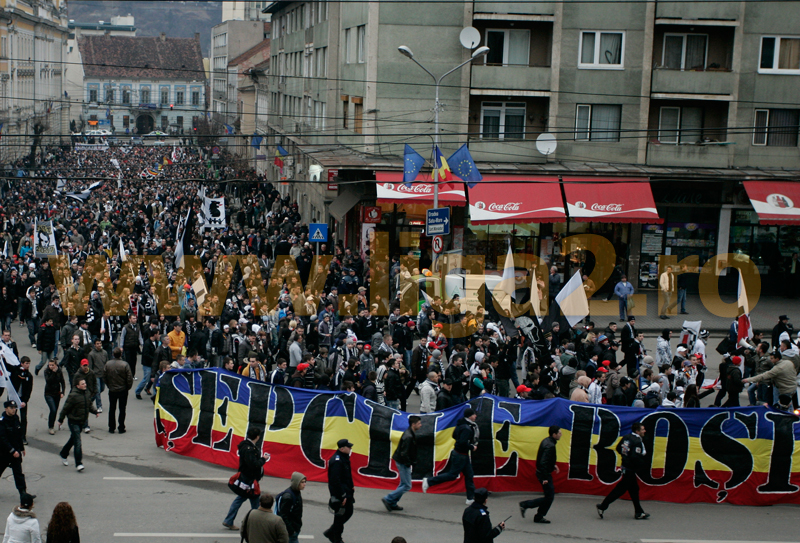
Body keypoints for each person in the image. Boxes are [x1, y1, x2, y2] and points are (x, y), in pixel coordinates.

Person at [423, 407, 478, 504]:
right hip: (461, 455)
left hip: (460, 454)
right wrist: (471, 447)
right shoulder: (467, 428)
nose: (475, 416)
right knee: (452, 475)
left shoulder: (461, 424)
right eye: (474, 414)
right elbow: (462, 442)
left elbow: (454, 436)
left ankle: (470, 498)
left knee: (469, 475)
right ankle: (429, 481)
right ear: (470, 416)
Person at [596, 422, 650, 520]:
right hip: (630, 469)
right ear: (637, 431)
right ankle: (603, 506)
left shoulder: (626, 437)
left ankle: (639, 512)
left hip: (625, 467)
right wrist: (641, 465)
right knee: (621, 490)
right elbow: (635, 456)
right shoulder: (637, 441)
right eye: (642, 429)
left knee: (633, 490)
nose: (644, 431)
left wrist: (624, 458)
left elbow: (618, 448)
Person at [223, 428, 269, 530]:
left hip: (247, 479)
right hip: (250, 480)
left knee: (242, 499)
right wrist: (263, 459)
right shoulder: (249, 449)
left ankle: (229, 520)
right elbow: (254, 464)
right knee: (254, 501)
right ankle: (257, 524)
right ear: (257, 437)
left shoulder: (246, 446)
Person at [519, 425, 561, 523]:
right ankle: (526, 505)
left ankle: (538, 515)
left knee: (549, 496)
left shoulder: (547, 441)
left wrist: (553, 465)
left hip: (543, 473)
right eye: (559, 433)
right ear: (554, 434)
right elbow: (543, 462)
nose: (561, 434)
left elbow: (545, 459)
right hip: (543, 474)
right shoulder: (550, 445)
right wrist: (544, 477)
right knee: (549, 497)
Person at [58, 377, 99, 472]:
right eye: (82, 384)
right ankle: (79, 463)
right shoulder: (73, 395)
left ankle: (64, 453)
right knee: (77, 442)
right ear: (77, 386)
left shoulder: (86, 393)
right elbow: (65, 408)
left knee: (73, 439)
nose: (85, 385)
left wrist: (95, 411)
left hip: (81, 421)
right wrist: (60, 419)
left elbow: (88, 405)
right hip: (73, 421)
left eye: (85, 383)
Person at [382, 415, 421, 512]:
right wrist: (409, 463)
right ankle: (389, 498)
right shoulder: (409, 436)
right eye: (419, 423)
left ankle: (392, 503)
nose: (421, 425)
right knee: (407, 485)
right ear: (413, 424)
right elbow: (404, 453)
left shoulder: (410, 433)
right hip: (403, 462)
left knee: (403, 484)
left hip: (402, 461)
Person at [0, 401, 33, 502]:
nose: (14, 409)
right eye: (11, 407)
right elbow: (2, 439)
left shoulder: (16, 418)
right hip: (4, 453)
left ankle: (23, 493)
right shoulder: (2, 421)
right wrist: (12, 450)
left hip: (16, 452)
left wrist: (21, 448)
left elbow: (18, 435)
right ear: (6, 409)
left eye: (15, 407)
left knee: (18, 473)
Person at [324, 438, 355, 543]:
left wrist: (351, 486)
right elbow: (335, 481)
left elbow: (346, 475)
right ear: (342, 449)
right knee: (340, 516)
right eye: (348, 447)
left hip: (346, 491)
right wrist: (342, 495)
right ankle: (336, 537)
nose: (350, 448)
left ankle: (332, 532)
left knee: (348, 512)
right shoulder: (337, 461)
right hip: (341, 494)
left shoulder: (344, 458)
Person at [104, 347, 134, 434]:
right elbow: (129, 378)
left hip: (112, 389)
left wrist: (109, 385)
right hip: (123, 389)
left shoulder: (108, 364)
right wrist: (128, 387)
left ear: (113, 354)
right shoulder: (124, 364)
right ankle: (121, 427)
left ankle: (111, 427)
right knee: (122, 409)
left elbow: (104, 376)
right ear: (120, 354)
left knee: (112, 408)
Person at [276, 472, 306, 543]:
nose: (304, 484)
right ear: (296, 483)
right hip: (290, 531)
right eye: (302, 482)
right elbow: (283, 515)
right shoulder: (288, 497)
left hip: (294, 528)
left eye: (304, 482)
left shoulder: (296, 492)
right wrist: (291, 531)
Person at [43, 359, 65, 434]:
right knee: (53, 409)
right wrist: (53, 372)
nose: (51, 366)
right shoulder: (47, 371)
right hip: (48, 393)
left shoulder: (59, 371)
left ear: (56, 365)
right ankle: (50, 427)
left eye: (52, 365)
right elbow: (48, 381)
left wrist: (62, 392)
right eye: (50, 365)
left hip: (57, 393)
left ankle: (52, 424)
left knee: (55, 410)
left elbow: (62, 382)